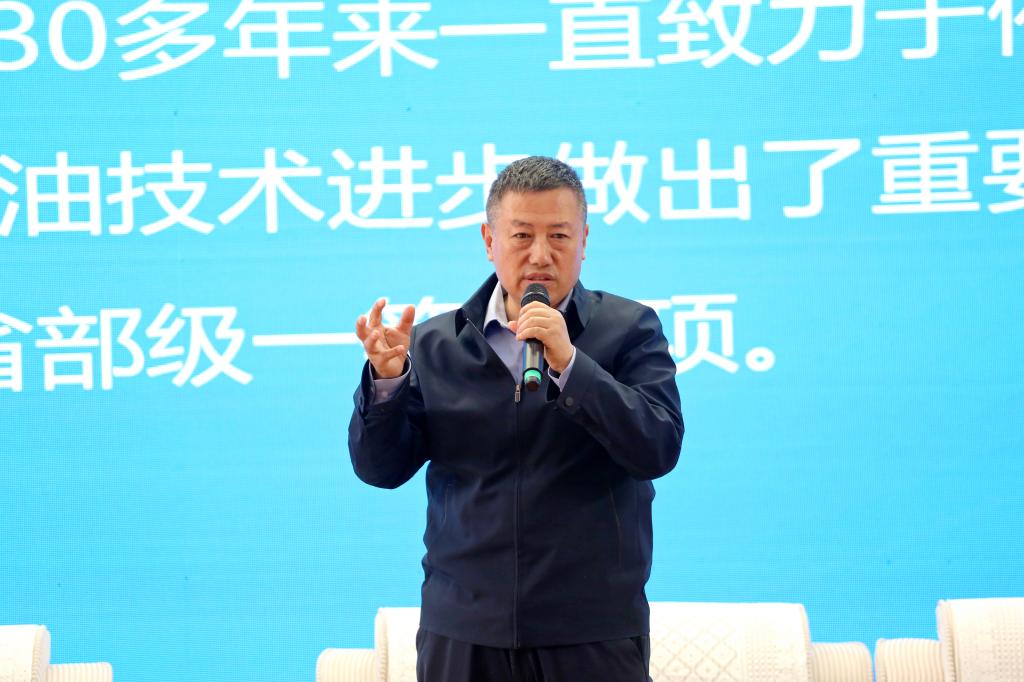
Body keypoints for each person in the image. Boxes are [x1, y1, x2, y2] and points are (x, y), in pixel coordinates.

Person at [349, 156, 683, 682]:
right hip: (463, 630)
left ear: (584, 240)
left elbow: (657, 446)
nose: (541, 255)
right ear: (489, 240)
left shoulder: (629, 330)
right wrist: (388, 382)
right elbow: (380, 469)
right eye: (522, 235)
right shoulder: (435, 343)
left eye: (559, 236)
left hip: (591, 629)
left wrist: (571, 365)